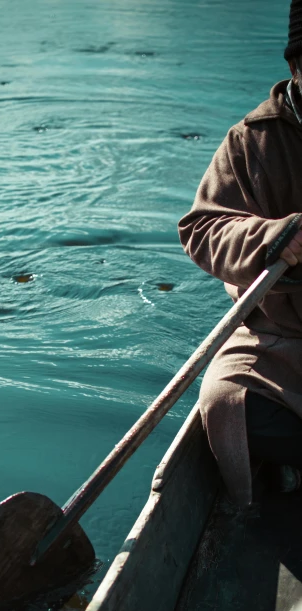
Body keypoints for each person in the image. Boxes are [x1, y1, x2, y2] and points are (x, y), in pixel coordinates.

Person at [178, 0, 302, 508]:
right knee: (228, 406)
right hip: (280, 339)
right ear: (297, 66)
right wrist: (274, 238)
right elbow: (202, 228)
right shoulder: (253, 140)